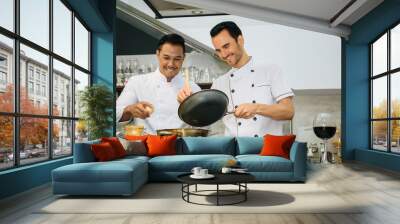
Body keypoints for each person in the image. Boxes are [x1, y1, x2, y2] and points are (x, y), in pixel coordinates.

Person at [178, 21, 294, 137]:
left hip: (266, 151)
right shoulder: (219, 83)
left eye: (226, 46)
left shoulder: (270, 70)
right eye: (218, 50)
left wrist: (256, 108)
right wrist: (189, 104)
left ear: (240, 40)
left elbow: (288, 111)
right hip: (235, 152)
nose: (223, 55)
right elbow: (203, 122)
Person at [117, 34, 201, 134]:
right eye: (166, 58)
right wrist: (129, 110)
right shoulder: (137, 82)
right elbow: (116, 114)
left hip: (181, 146)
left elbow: (202, 124)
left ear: (183, 58)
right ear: (157, 54)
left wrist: (190, 108)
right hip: (147, 147)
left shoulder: (193, 88)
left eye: (177, 59)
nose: (171, 64)